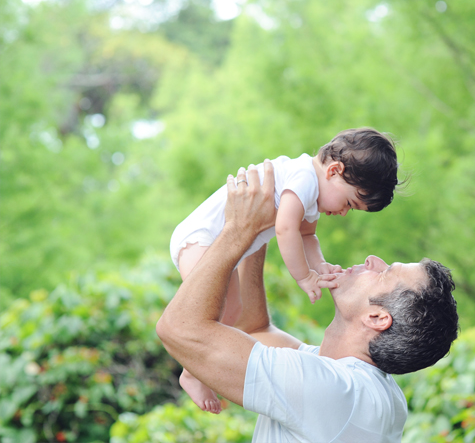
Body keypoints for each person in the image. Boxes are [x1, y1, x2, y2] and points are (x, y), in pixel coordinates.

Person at [156, 162, 459, 442]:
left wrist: (238, 230)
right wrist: (263, 224)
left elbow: (178, 329)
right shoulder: (368, 389)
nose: (373, 260)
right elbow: (253, 328)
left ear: (378, 318)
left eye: (386, 273)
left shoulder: (336, 392)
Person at [168, 127, 401, 413]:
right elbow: (285, 228)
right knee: (202, 315)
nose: (342, 213)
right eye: (349, 203)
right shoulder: (303, 178)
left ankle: (193, 369)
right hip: (200, 238)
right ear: (334, 171)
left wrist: (320, 267)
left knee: (231, 312)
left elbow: (307, 237)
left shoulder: (312, 196)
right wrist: (304, 276)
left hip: (223, 243)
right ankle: (191, 372)